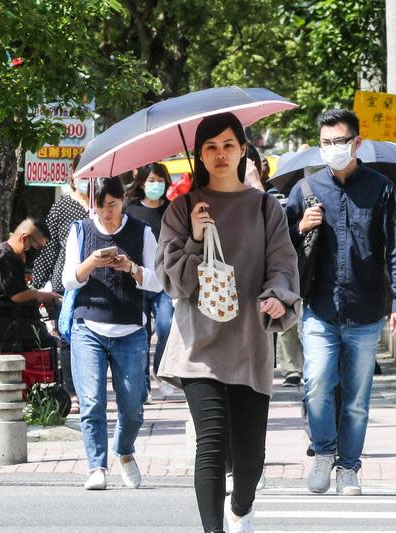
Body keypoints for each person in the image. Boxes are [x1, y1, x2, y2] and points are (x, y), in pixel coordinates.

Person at [156, 112, 299, 533]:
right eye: (210, 147)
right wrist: (196, 238)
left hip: (249, 341)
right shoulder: (181, 209)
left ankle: (240, 507)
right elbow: (171, 280)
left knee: (251, 457)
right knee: (212, 444)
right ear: (199, 155)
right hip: (198, 345)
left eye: (228, 146)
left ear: (242, 150)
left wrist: (277, 298)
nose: (220, 154)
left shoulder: (265, 206)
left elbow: (284, 266)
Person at [285, 109, 396, 497]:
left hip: (365, 308)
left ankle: (349, 467)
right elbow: (279, 248)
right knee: (317, 382)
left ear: (357, 143)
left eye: (340, 141)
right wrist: (300, 227)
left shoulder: (381, 188)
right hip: (320, 307)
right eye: (326, 143)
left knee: (357, 398)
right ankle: (324, 451)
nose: (333, 148)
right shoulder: (304, 191)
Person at [62, 176, 162, 491]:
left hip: (131, 328)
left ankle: (124, 450)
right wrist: (91, 262)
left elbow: (158, 281)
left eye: (113, 205)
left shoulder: (141, 232)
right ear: (93, 204)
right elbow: (69, 280)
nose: (107, 212)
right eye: (101, 206)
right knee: (91, 401)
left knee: (133, 404)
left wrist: (131, 268)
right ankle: (96, 466)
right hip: (88, 326)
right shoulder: (80, 230)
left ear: (123, 201)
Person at [31, 157, 89, 413]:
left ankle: (90, 389)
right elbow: (50, 247)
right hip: (65, 283)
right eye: (81, 172)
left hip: (96, 284)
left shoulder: (104, 205)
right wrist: (37, 283)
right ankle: (72, 391)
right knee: (67, 337)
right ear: (73, 174)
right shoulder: (62, 207)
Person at [125, 162, 177, 399]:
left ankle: (162, 372)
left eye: (160, 180)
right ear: (142, 183)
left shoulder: (174, 209)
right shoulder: (131, 210)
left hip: (166, 279)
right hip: (139, 278)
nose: (156, 185)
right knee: (141, 332)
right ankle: (142, 383)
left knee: (166, 326)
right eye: (151, 180)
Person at [0, 217, 62, 351]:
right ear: (24, 238)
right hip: (5, 325)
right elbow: (17, 296)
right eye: (38, 247)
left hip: (8, 319)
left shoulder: (10, 255)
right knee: (57, 342)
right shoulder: (5, 257)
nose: (38, 252)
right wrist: (46, 296)